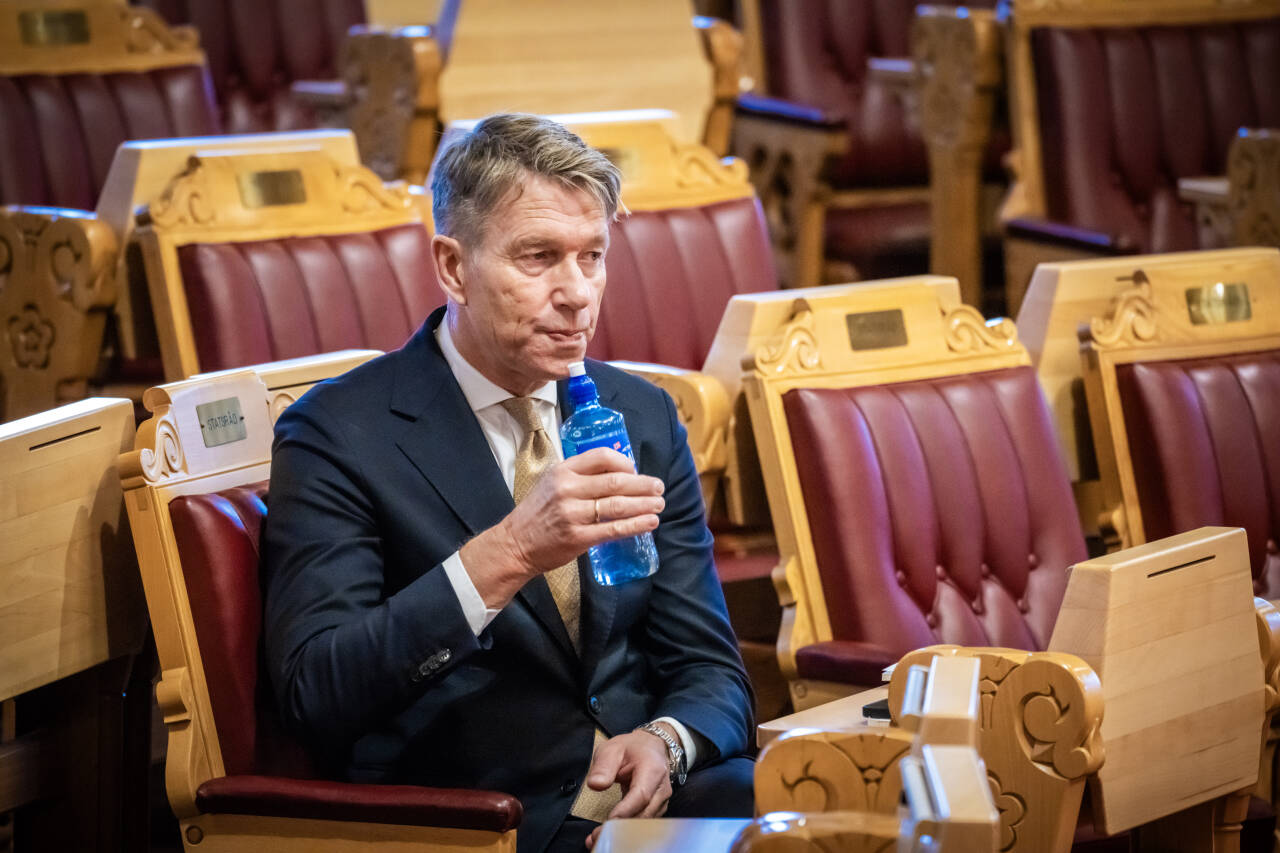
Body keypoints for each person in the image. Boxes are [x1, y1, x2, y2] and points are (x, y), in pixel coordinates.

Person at [262, 113, 755, 853]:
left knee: (836, 808)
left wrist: (668, 740)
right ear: (454, 266)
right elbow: (317, 690)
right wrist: (513, 548)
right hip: (473, 821)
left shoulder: (644, 413)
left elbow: (711, 665)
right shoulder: (338, 434)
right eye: (539, 257)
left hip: (643, 802)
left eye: (593, 256)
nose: (578, 292)